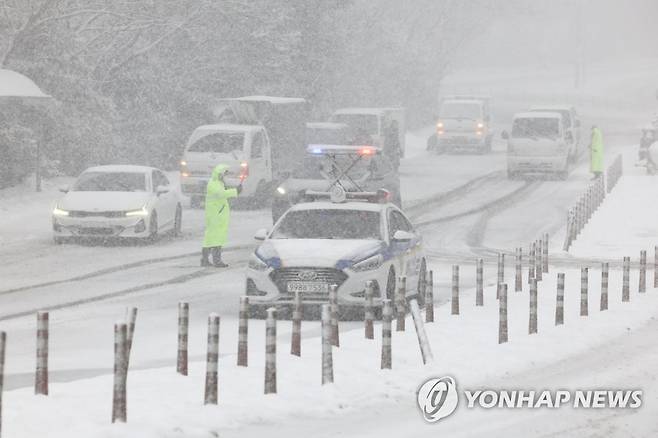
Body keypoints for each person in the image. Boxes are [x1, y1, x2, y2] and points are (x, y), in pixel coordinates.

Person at [201, 164, 242, 267]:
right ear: (220, 174)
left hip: (216, 214)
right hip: (216, 215)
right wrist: (235, 191)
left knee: (210, 237)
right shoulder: (214, 184)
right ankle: (216, 260)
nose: (225, 176)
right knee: (216, 237)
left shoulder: (217, 183)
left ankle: (205, 259)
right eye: (224, 174)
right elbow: (221, 194)